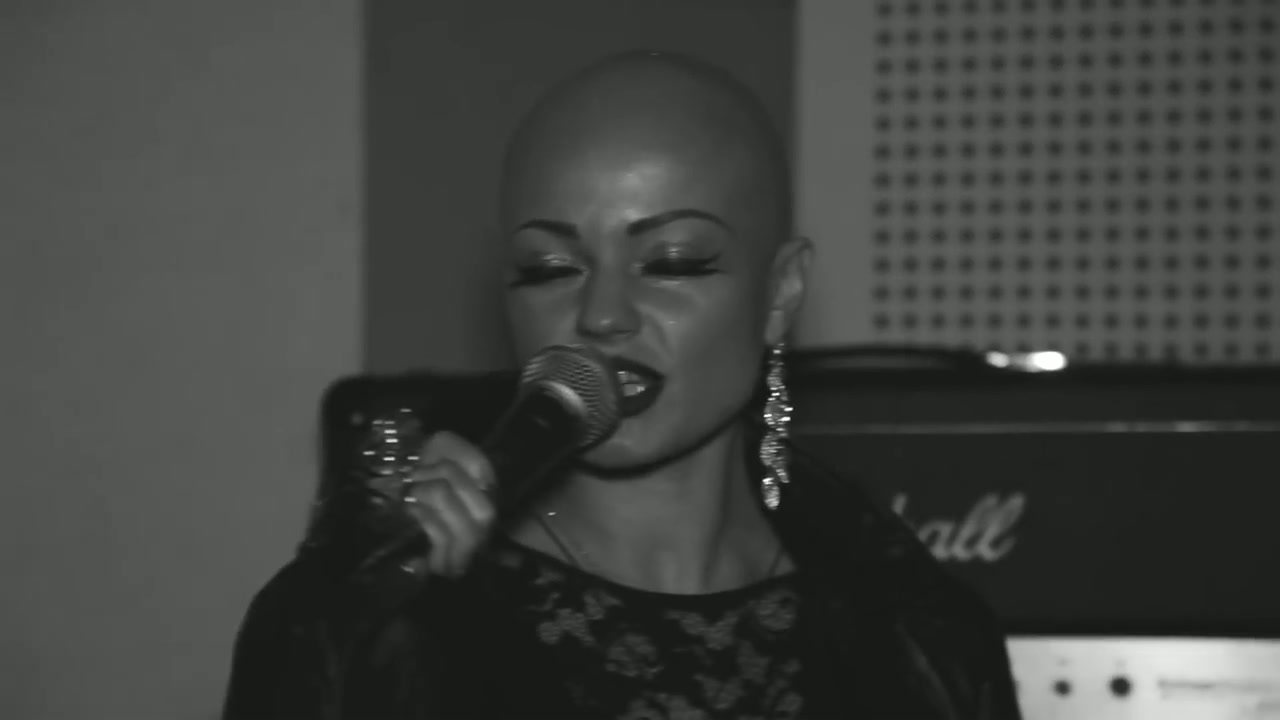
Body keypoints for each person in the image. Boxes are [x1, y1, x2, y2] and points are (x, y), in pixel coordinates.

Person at [223, 51, 1022, 719]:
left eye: (672, 262)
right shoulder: (388, 614)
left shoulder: (918, 639)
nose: (601, 314)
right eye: (550, 268)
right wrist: (362, 618)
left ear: (780, 292)